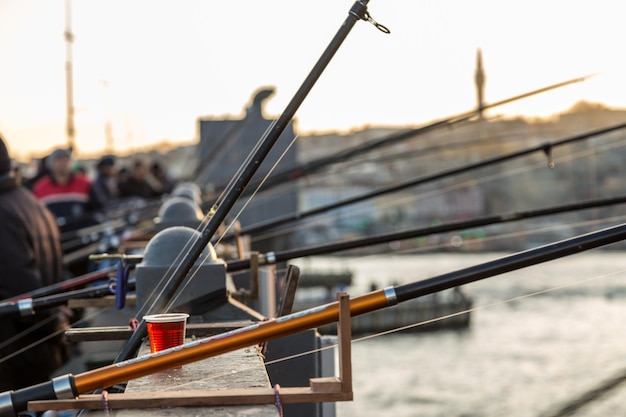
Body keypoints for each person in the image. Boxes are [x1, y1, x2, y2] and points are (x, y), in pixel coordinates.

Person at [0, 136, 70, 390]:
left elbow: (20, 288)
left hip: (14, 359)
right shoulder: (29, 200)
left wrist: (54, 322)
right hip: (38, 353)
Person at [32, 148, 102, 233]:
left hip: (81, 237)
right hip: (55, 238)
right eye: (59, 160)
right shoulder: (40, 188)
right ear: (51, 164)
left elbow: (99, 209)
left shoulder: (85, 183)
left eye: (66, 159)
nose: (63, 163)